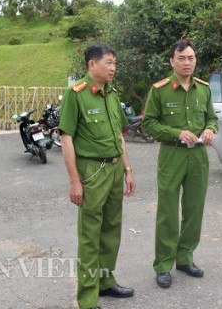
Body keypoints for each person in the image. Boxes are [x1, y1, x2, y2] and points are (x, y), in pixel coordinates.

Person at [58, 43, 136, 309]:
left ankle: (105, 281)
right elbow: (66, 139)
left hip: (114, 169)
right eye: (108, 62)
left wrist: (127, 169)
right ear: (92, 65)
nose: (113, 68)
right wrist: (74, 181)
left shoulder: (112, 95)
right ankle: (87, 299)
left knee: (111, 230)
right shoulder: (76, 94)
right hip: (92, 171)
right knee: (91, 236)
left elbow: (120, 137)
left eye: (115, 63)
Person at [142, 39, 218, 289]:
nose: (187, 63)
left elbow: (212, 118)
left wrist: (209, 129)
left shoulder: (203, 89)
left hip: (198, 156)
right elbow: (149, 124)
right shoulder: (160, 90)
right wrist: (176, 133)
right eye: (182, 58)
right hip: (172, 155)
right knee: (167, 212)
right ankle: (163, 265)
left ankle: (185, 258)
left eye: (191, 58)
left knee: (194, 209)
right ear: (172, 61)